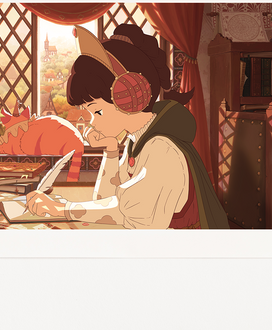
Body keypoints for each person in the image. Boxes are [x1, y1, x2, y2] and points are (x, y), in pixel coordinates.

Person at [25, 24, 229, 229]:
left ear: (129, 99)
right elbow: (106, 198)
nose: (92, 123)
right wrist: (111, 150)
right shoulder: (136, 142)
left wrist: (62, 209)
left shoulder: (162, 149)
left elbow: (137, 218)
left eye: (97, 111)